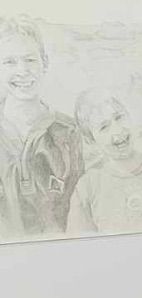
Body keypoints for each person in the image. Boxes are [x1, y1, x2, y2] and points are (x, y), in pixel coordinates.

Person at [0, 15, 83, 238]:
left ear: (44, 62)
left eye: (30, 60)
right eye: (9, 62)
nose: (22, 70)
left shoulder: (68, 131)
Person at [68, 87, 142, 235]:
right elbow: (78, 243)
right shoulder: (88, 187)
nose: (117, 130)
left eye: (119, 117)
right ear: (90, 140)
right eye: (104, 127)